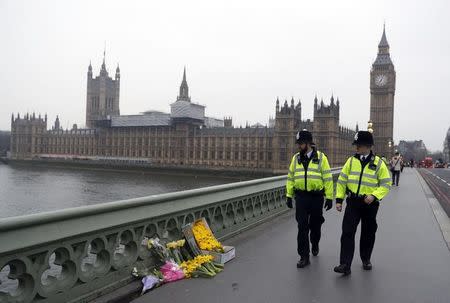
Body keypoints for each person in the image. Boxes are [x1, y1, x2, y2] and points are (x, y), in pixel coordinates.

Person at [333, 131, 391, 275]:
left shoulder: (378, 163)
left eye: (358, 145)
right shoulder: (351, 161)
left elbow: (386, 184)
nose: (356, 148)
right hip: (353, 201)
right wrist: (339, 200)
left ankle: (366, 258)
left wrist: (374, 195)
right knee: (347, 232)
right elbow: (341, 181)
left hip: (370, 203)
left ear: (367, 146)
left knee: (368, 232)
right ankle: (345, 264)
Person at [286, 130, 334, 268]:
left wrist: (329, 197)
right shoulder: (296, 158)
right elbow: (291, 177)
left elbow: (328, 178)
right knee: (302, 227)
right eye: (298, 143)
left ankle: (315, 242)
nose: (298, 146)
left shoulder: (321, 158)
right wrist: (289, 195)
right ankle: (303, 256)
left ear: (308, 143)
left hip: (316, 197)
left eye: (300, 143)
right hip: (301, 196)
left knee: (315, 225)